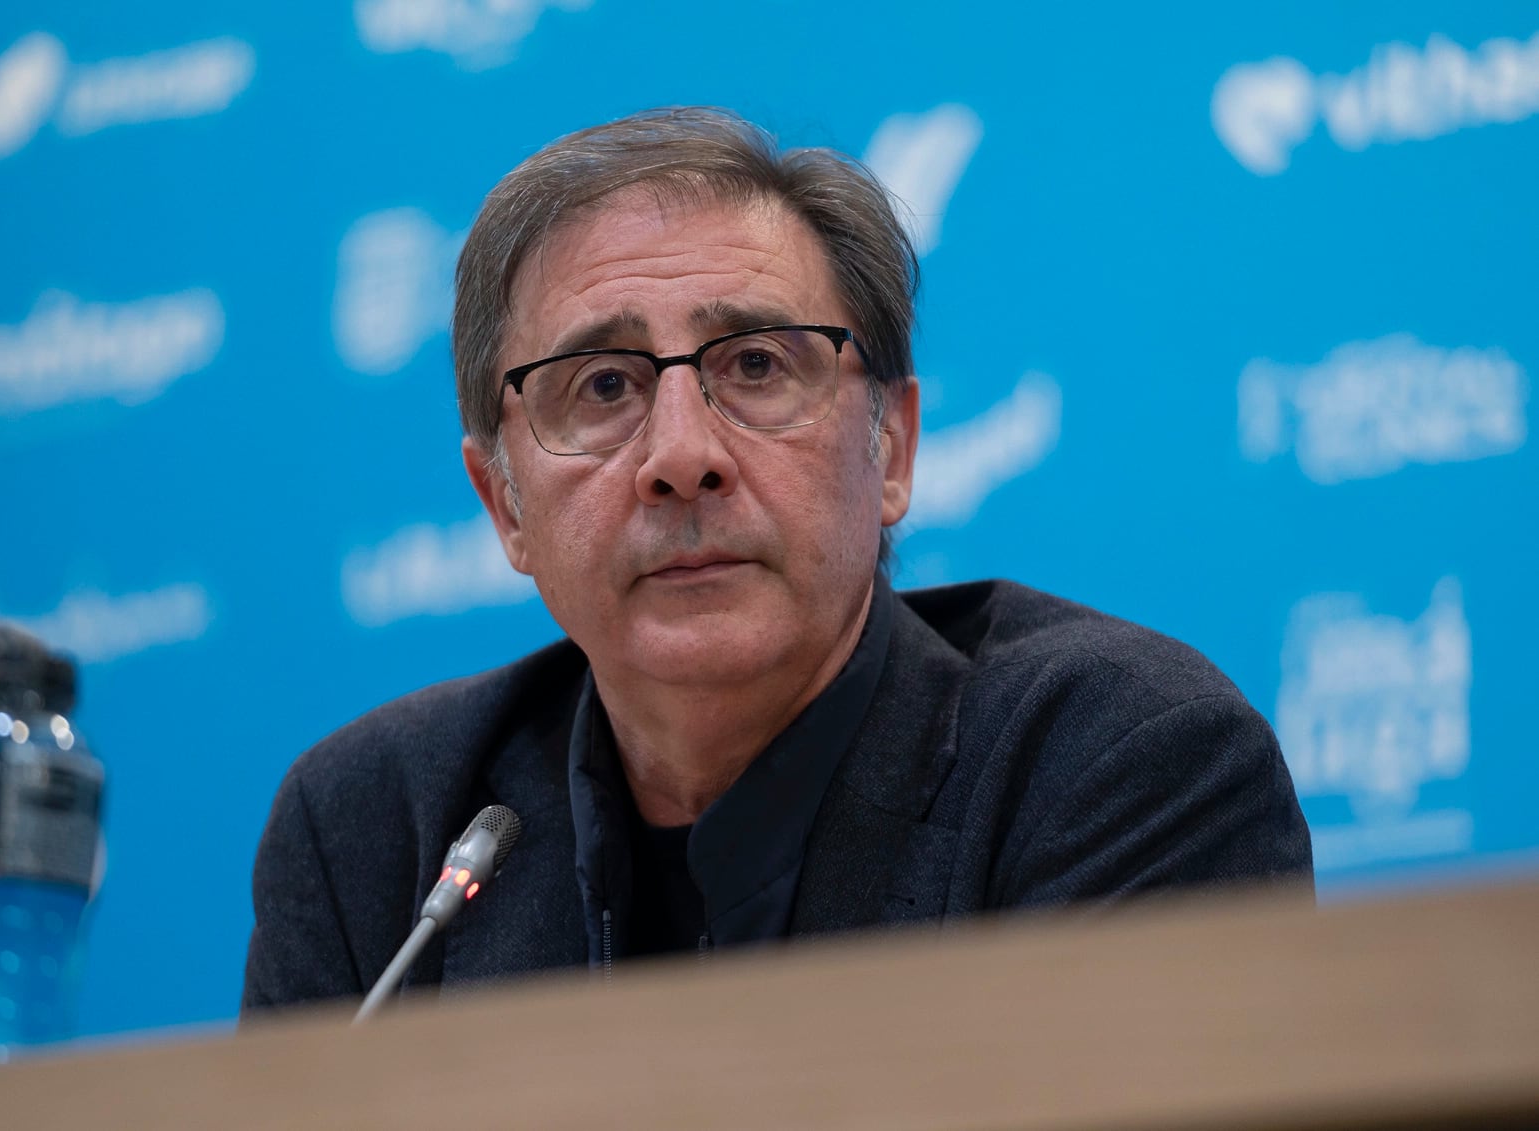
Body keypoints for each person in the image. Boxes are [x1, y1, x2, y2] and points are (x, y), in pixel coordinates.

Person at [241, 107, 1311, 1009]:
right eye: (602, 386)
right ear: (502, 503)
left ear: (889, 447)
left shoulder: (1112, 763)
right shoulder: (375, 838)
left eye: (755, 365)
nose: (681, 456)